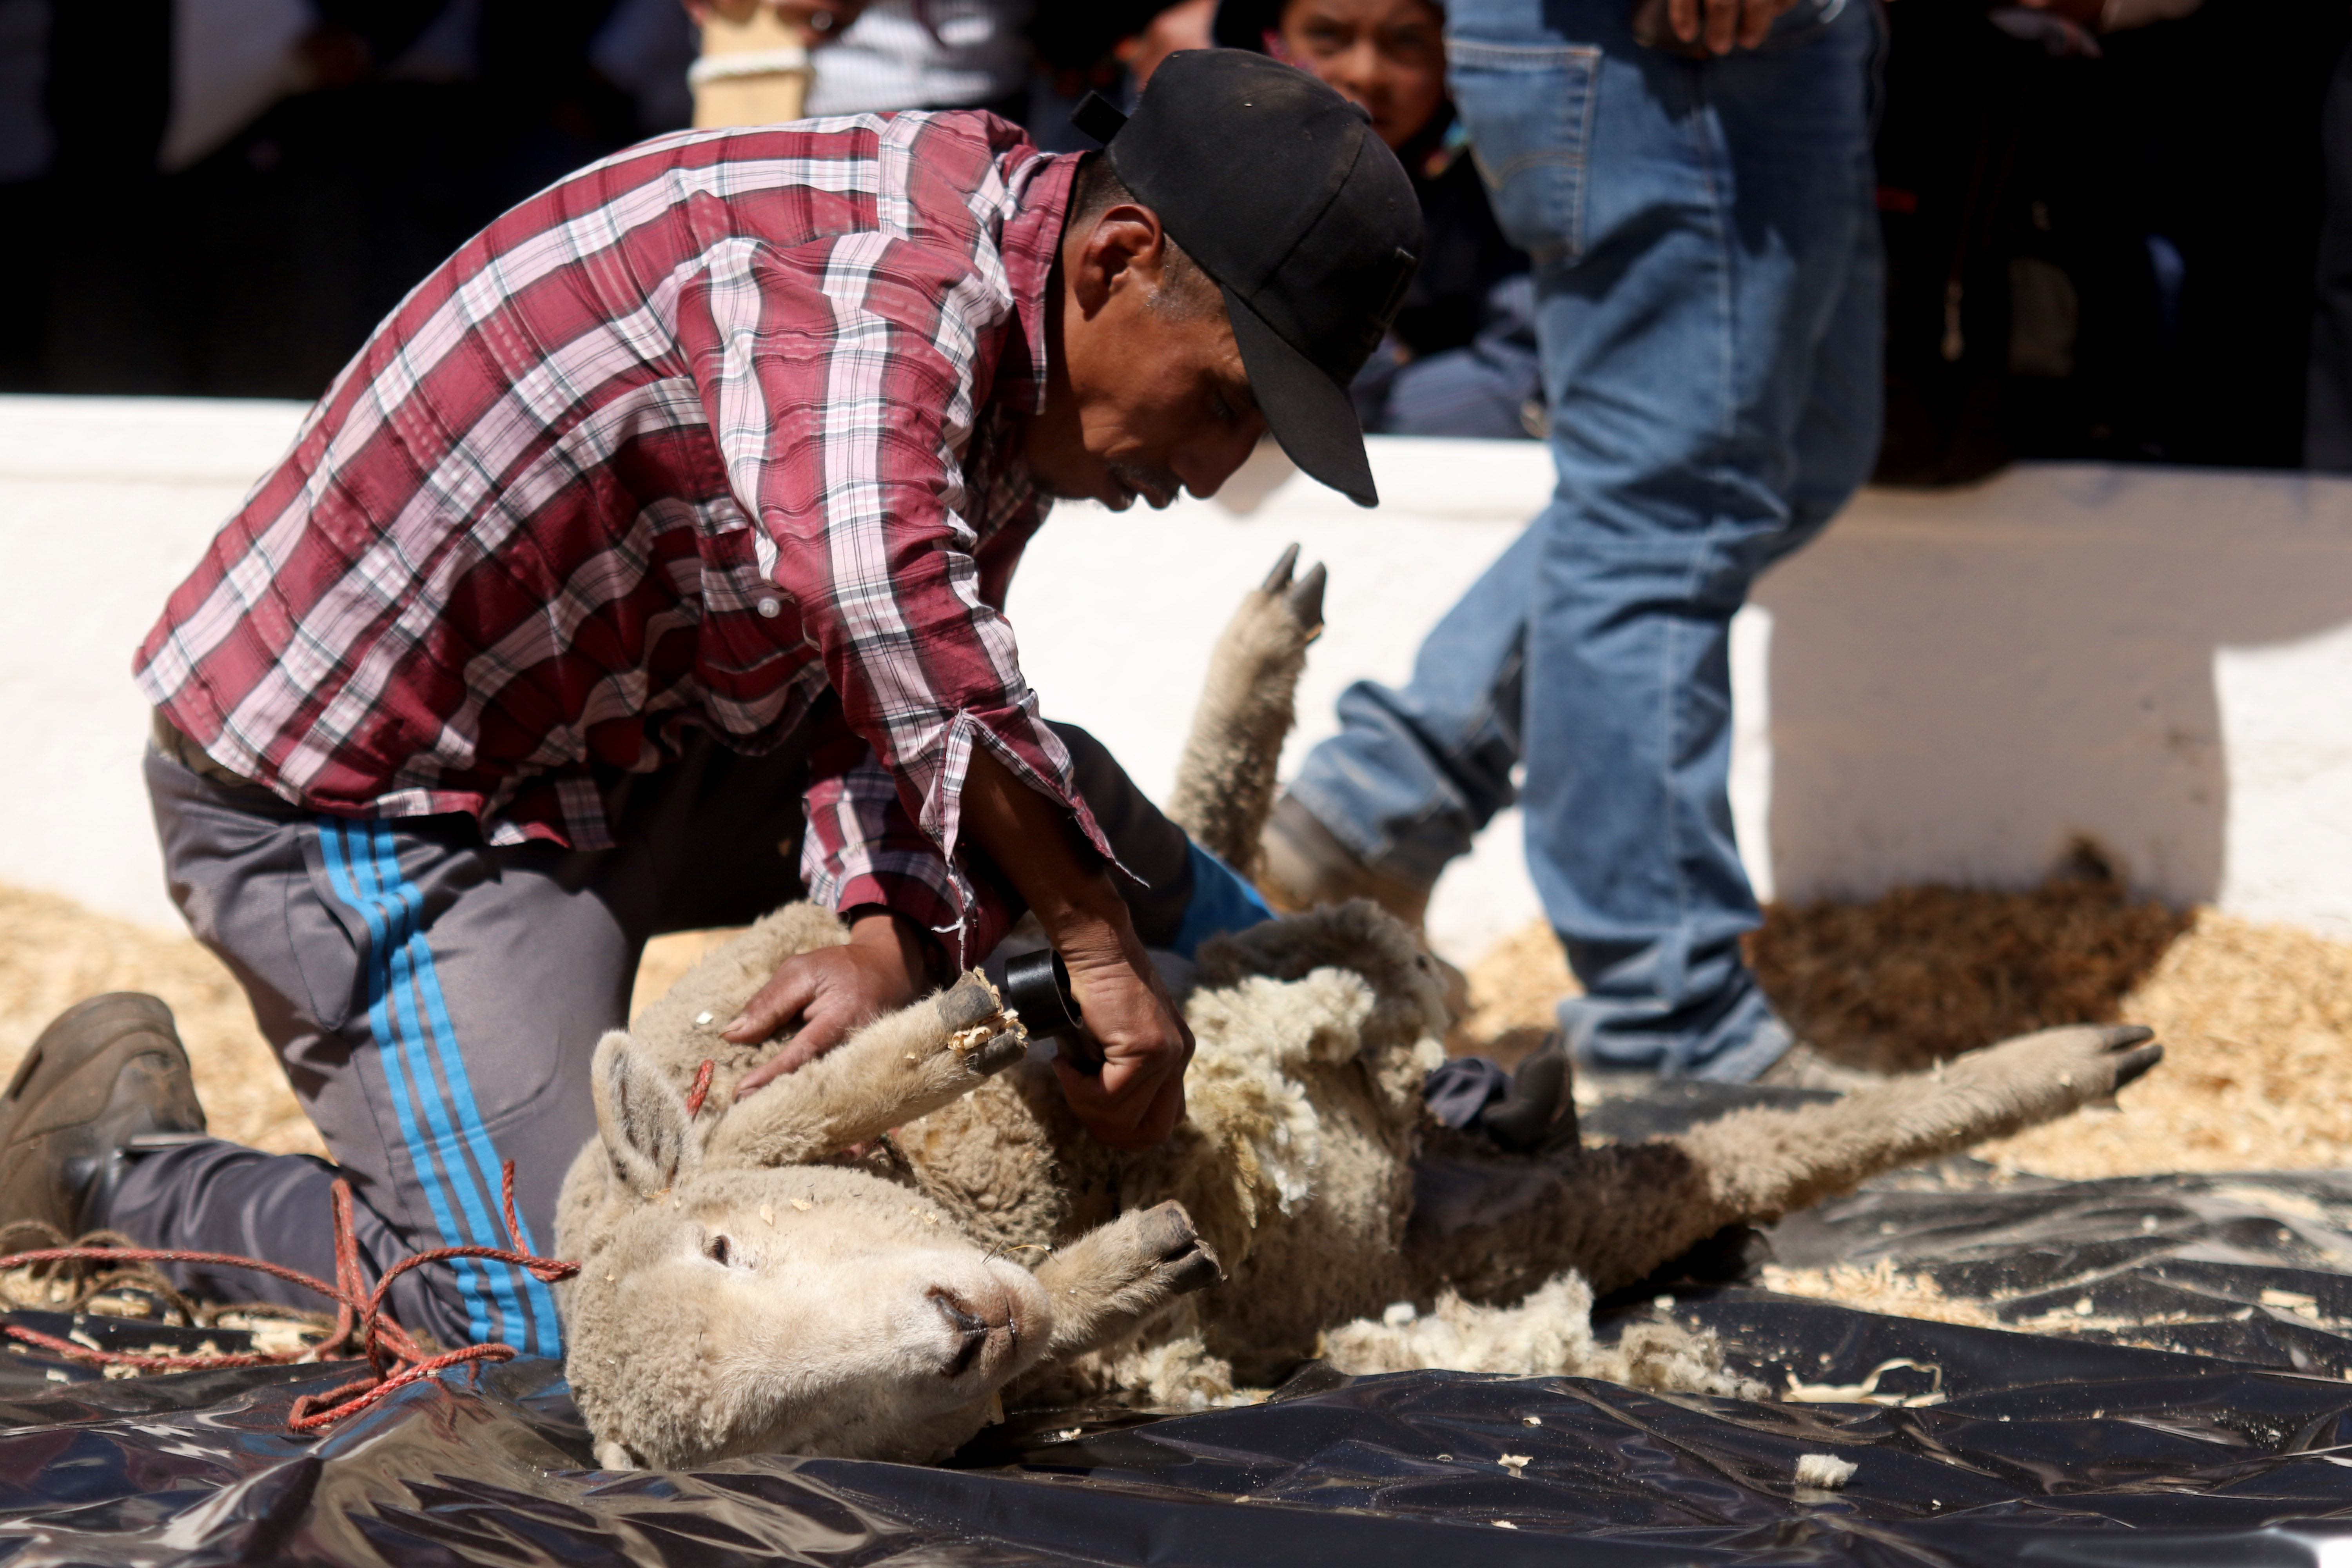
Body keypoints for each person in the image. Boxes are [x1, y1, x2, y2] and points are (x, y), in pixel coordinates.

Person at [0, 50, 1422, 1356]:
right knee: (562, 1329)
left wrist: (882, 924)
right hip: (376, 810)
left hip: (634, 742)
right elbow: (879, 595)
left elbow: (875, 684)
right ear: (1121, 258)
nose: (1216, 469)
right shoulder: (877, 284)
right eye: (1229, 403)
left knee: (1052, 793)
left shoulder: (1028, 337)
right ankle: (112, 1167)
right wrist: (1093, 947)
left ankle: (1368, 1047)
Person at [1260, 0, 1886, 1085]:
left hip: (1769, 47)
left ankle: (1384, 800)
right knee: (1665, 509)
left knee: (1801, 451)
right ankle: (1673, 1023)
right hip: (1679, 51)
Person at [1217, 0, 1539, 439]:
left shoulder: (1502, 191)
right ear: (1271, 42)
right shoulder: (1208, 172)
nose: (1365, 74)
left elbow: (1519, 376)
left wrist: (1355, 410)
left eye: (1407, 41)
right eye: (1328, 38)